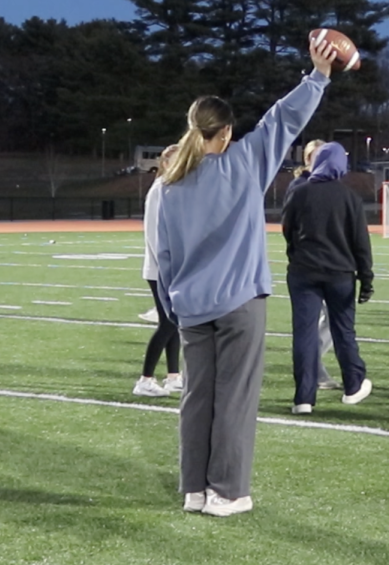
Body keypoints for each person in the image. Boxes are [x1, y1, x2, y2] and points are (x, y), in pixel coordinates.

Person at [155, 39, 334, 517]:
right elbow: (283, 120)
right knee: (234, 400)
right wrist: (317, 75)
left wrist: (175, 305)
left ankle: (194, 489)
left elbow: (165, 253)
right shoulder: (244, 161)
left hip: (191, 306)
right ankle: (227, 492)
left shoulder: (170, 185)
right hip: (238, 304)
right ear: (228, 131)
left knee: (197, 399)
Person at [283, 141, 374, 414]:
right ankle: (353, 385)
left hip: (303, 271)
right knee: (343, 331)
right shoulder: (349, 198)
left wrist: (297, 255)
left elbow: (288, 230)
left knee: (305, 334)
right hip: (339, 273)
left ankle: (303, 398)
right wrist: (366, 278)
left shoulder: (299, 192)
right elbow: (361, 243)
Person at [285, 139, 342, 391]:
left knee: (334, 319)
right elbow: (290, 226)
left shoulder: (333, 186)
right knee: (310, 323)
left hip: (333, 264)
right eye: (313, 156)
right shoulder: (300, 186)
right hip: (309, 265)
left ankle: (314, 365)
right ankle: (313, 373)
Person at [134, 144, 183, 397]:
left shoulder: (172, 190)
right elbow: (154, 235)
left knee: (173, 322)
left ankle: (173, 376)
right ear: (164, 163)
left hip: (169, 268)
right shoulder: (158, 191)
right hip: (160, 270)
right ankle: (145, 379)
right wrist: (168, 269)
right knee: (168, 323)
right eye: (174, 161)